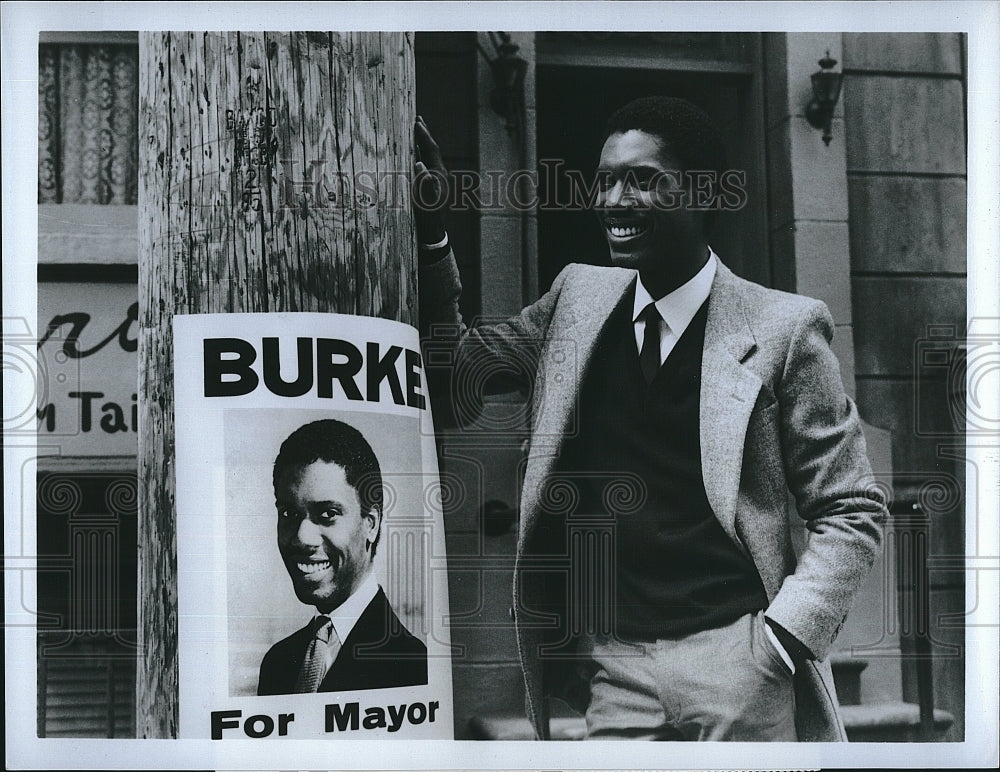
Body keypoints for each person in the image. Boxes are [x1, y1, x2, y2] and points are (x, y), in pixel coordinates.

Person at [414, 97, 887, 741]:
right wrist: (434, 235)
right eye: (605, 179)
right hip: (617, 672)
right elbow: (457, 380)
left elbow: (851, 507)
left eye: (642, 179)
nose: (613, 199)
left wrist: (782, 639)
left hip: (738, 666)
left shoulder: (784, 328)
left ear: (703, 194)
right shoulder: (576, 300)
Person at [257, 418, 427, 695]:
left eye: (327, 515)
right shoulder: (278, 662)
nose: (301, 537)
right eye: (288, 514)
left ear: (370, 523)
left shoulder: (413, 667)